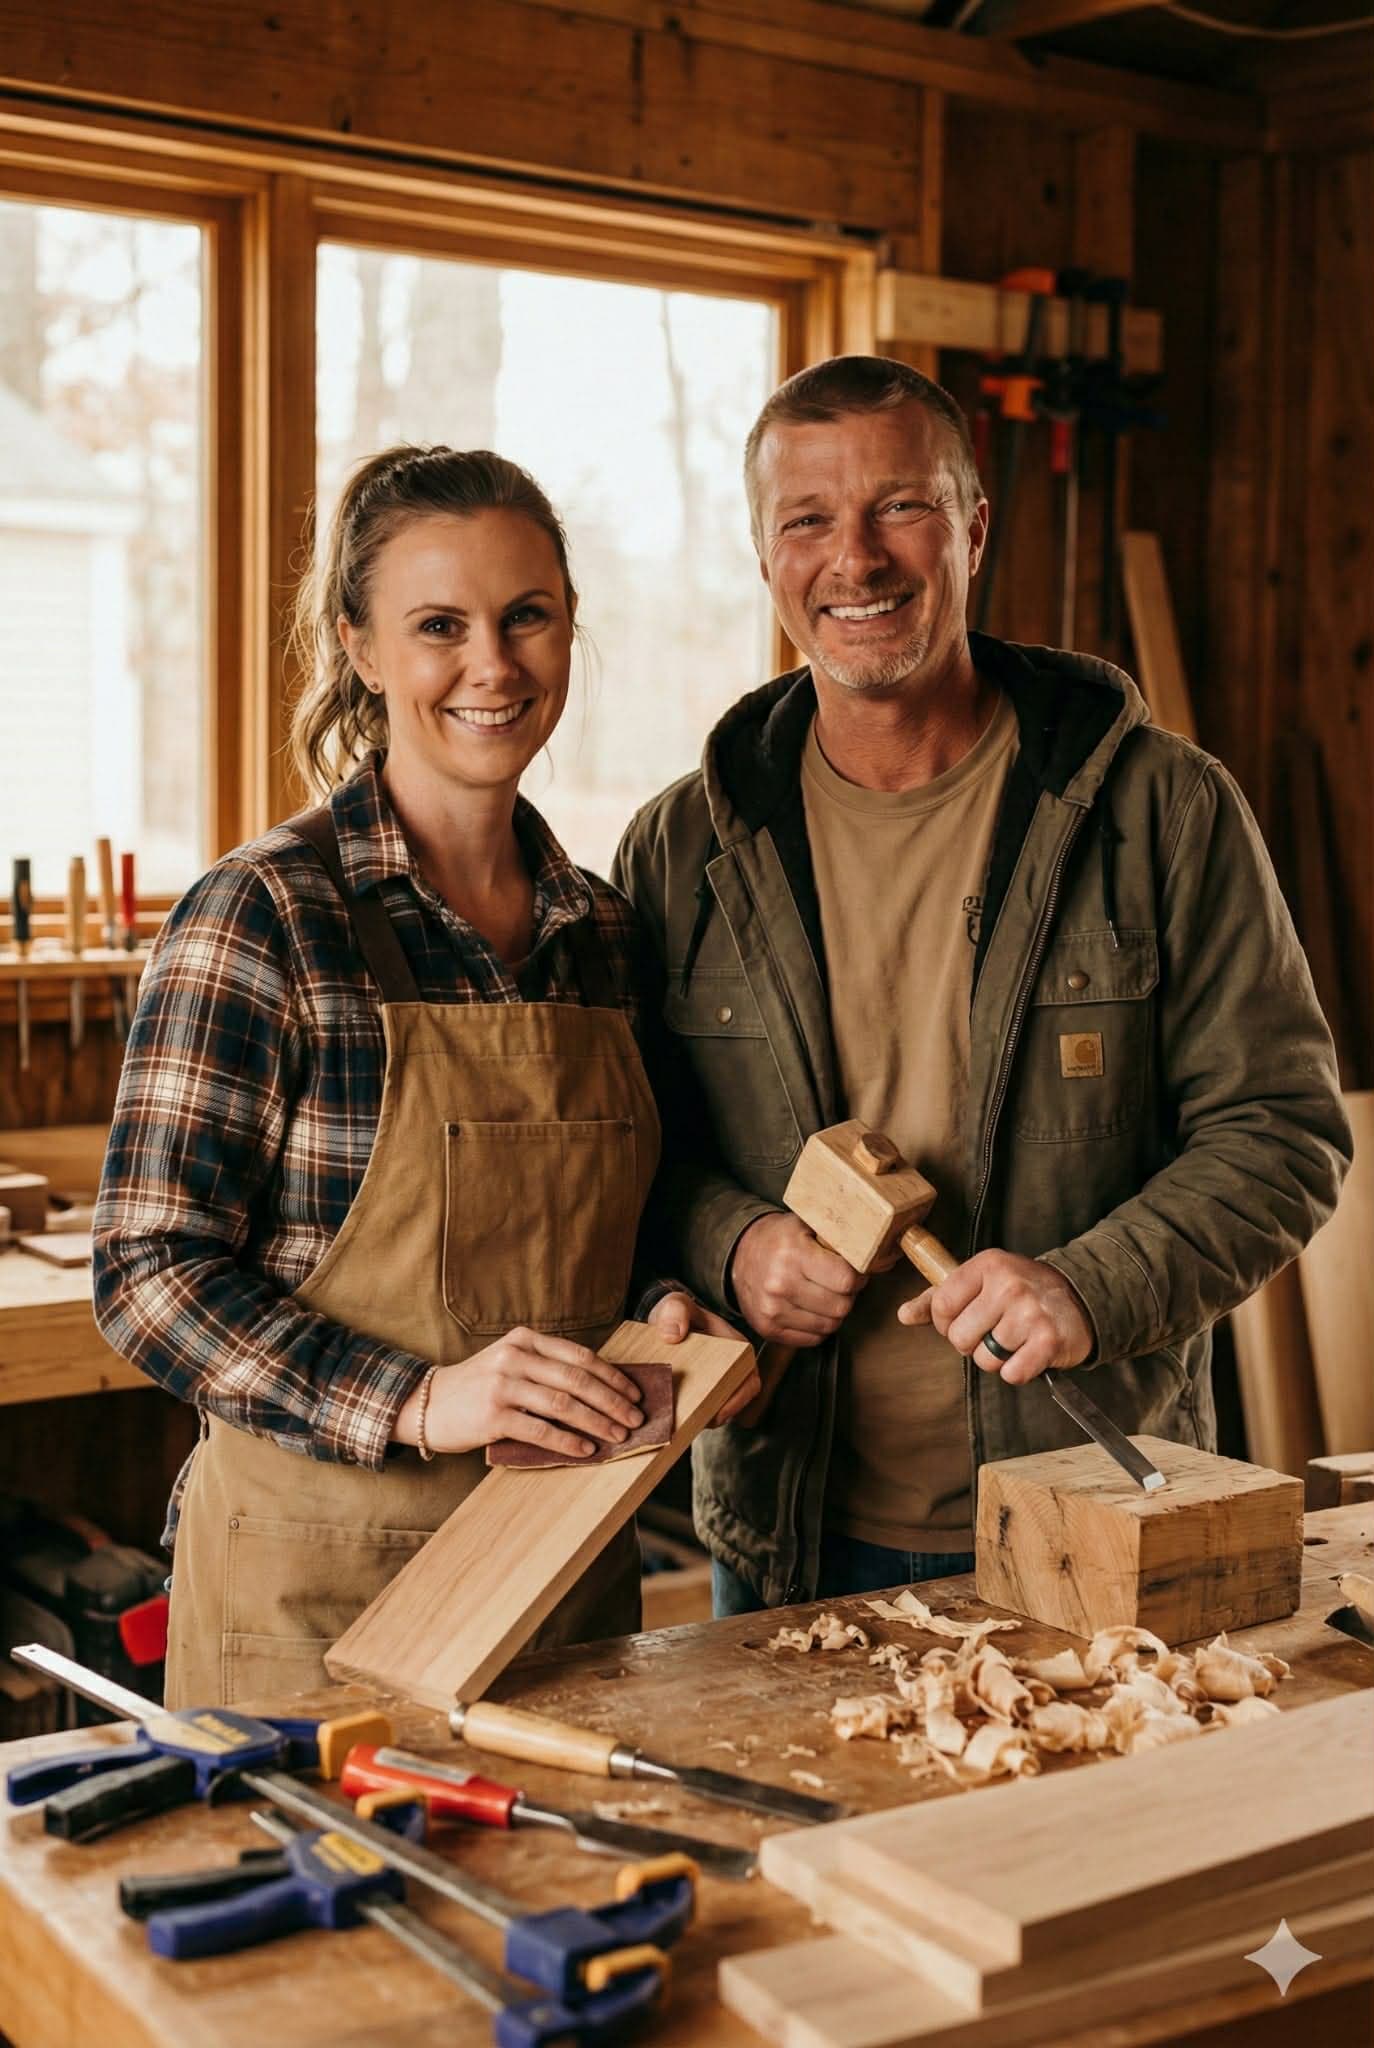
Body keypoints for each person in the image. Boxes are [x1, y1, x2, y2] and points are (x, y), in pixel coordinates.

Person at [613, 355, 1352, 1617]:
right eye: (808, 519)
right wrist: (730, 1245)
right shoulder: (681, 849)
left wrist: (1089, 1281)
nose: (857, 558)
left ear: (973, 527)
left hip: (1091, 1511)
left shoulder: (1159, 808)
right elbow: (634, 1156)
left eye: (900, 505)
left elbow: (1284, 1132)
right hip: (788, 1528)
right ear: (763, 552)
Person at [93, 444, 753, 1705]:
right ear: (360, 645)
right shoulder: (265, 914)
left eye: (527, 618)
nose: (493, 667)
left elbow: (623, 1224)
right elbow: (146, 1269)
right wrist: (422, 1397)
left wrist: (670, 1311)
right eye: (439, 625)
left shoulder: (603, 933)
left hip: (563, 1596)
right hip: (312, 1620)